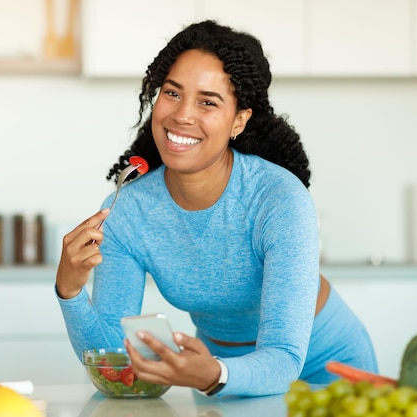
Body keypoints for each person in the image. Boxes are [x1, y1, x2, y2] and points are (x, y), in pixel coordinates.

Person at [55, 20, 377, 397]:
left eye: (208, 102)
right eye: (172, 94)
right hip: (213, 371)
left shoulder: (278, 199)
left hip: (326, 369)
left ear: (239, 120)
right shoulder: (127, 209)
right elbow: (111, 358)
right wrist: (70, 289)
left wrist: (215, 374)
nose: (182, 115)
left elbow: (285, 358)